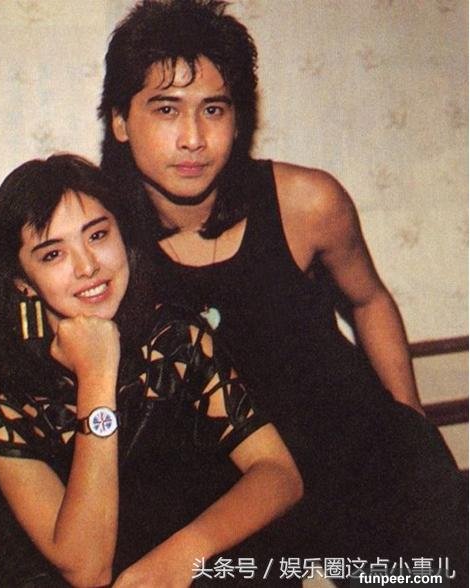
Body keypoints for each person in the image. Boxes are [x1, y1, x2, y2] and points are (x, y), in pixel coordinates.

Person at [96, 0, 467, 580]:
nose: (193, 138)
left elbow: (369, 300)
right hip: (233, 501)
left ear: (238, 118)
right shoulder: (100, 244)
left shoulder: (307, 202)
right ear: (121, 120)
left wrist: (409, 429)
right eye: (166, 109)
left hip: (356, 463)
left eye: (213, 109)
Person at [0, 153, 303, 587]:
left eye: (98, 235)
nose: (88, 265)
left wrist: (183, 554)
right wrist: (96, 377)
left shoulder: (175, 340)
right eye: (53, 254)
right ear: (22, 282)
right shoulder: (0, 395)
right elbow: (88, 569)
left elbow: (279, 473)